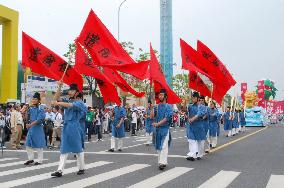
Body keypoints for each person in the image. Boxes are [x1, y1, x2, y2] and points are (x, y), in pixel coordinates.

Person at [51, 83, 87, 177]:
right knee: (64, 149)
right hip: (66, 126)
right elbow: (55, 99)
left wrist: (58, 103)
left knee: (78, 148)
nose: (70, 92)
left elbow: (69, 105)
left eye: (72, 90)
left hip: (75, 126)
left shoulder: (80, 103)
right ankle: (59, 171)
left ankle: (81, 168)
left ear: (77, 93)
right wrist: (59, 86)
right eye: (69, 90)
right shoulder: (67, 100)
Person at [151, 89, 173, 170]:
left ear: (165, 96)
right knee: (158, 146)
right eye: (159, 95)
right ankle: (162, 161)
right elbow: (152, 116)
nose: (160, 96)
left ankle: (162, 162)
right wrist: (153, 107)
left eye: (161, 95)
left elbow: (167, 118)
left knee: (164, 145)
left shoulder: (169, 106)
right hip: (157, 130)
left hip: (165, 129)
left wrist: (158, 124)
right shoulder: (157, 106)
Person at [24, 92, 46, 165]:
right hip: (31, 128)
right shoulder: (30, 108)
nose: (33, 100)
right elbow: (27, 118)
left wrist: (30, 124)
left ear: (39, 100)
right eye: (33, 99)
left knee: (38, 144)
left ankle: (40, 160)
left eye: (35, 99)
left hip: (38, 128)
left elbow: (40, 120)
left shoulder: (41, 108)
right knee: (28, 144)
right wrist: (25, 112)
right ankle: (31, 159)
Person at [186, 92, 207, 161]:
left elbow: (199, 114)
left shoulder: (202, 107)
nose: (193, 99)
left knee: (200, 142)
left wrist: (193, 118)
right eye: (192, 97)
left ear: (198, 98)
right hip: (191, 126)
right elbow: (186, 112)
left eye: (194, 98)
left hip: (199, 126)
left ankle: (200, 154)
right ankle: (192, 154)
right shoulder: (190, 106)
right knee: (191, 139)